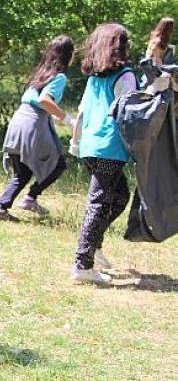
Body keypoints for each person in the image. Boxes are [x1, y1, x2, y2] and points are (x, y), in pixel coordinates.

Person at [68, 23, 138, 285]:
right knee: (98, 203)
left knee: (119, 196)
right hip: (109, 148)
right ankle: (82, 265)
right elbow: (131, 116)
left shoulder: (95, 78)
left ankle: (93, 246)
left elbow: (82, 111)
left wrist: (75, 143)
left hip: (89, 147)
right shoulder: (126, 77)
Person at [0, 35, 76, 222]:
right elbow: (44, 100)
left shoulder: (41, 72)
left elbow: (36, 100)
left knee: (22, 172)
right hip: (32, 124)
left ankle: (1, 208)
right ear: (68, 55)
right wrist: (68, 119)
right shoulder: (60, 76)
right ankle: (30, 197)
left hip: (19, 120)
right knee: (58, 164)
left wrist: (53, 115)